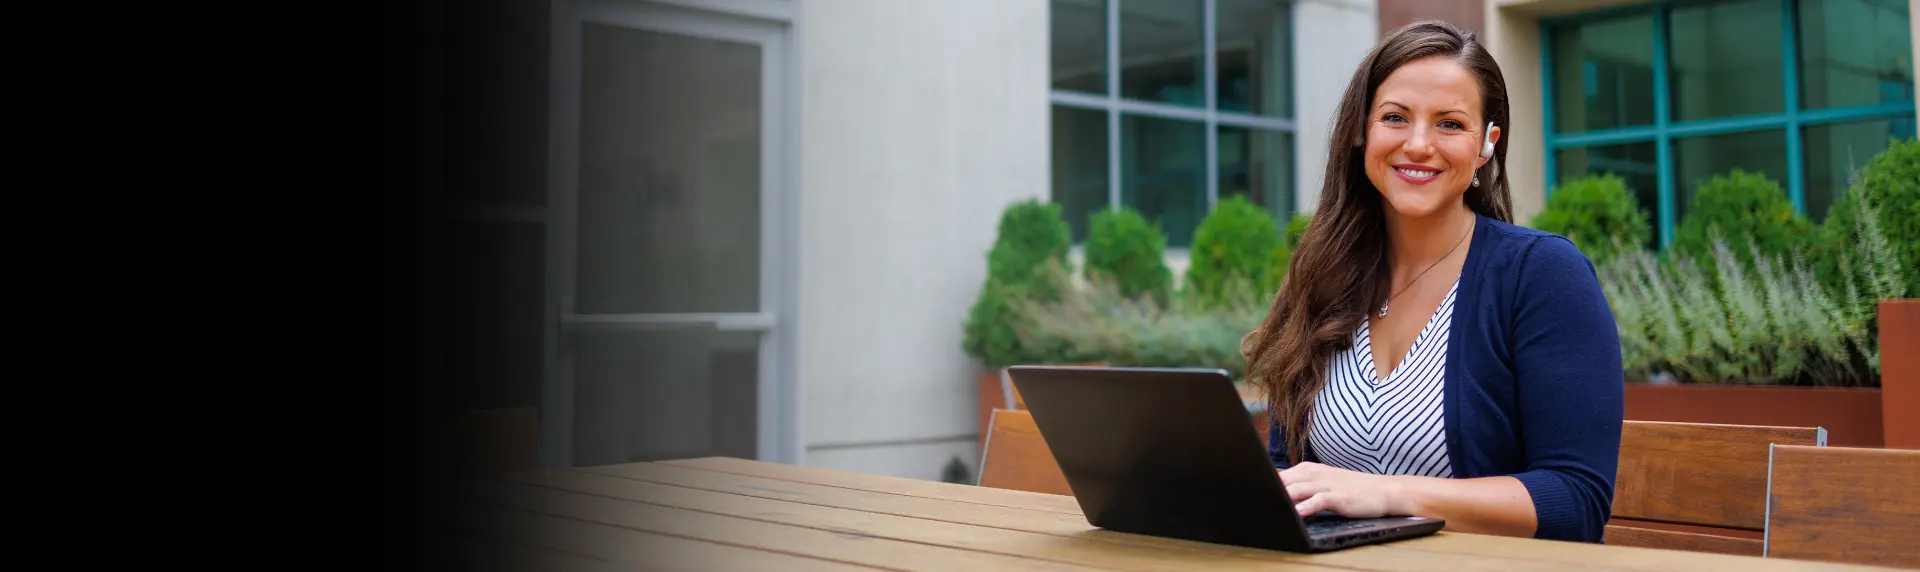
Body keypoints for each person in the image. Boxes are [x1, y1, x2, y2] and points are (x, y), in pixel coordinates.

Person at [1238, 20, 1623, 543]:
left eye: (1449, 124)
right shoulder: (1324, 270)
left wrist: (1388, 493)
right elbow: (1291, 471)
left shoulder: (1542, 274)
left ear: (1487, 144)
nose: (1418, 145)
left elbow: (1575, 500)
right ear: (1361, 131)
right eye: (1395, 117)